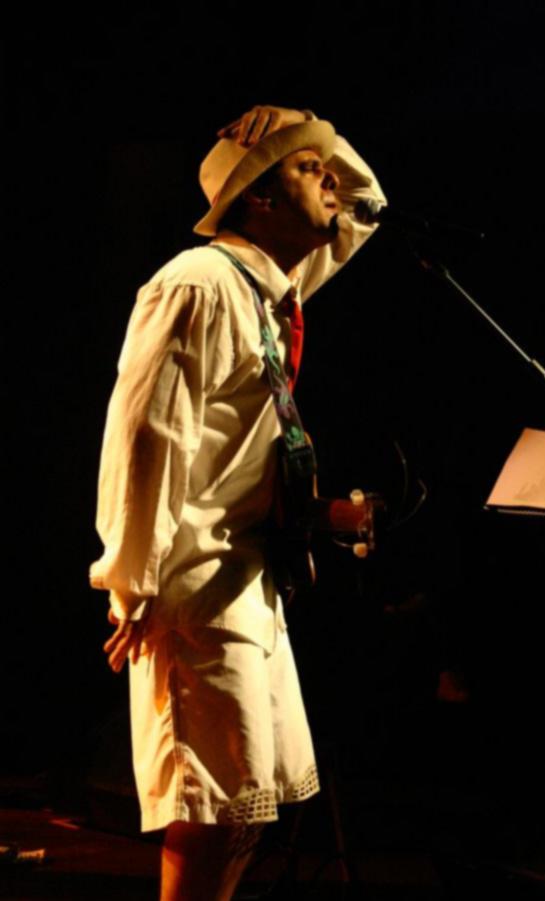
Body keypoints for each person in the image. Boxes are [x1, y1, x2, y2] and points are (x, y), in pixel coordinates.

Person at [90, 104, 386, 900]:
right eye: (307, 169)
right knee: (212, 808)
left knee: (248, 808)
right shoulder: (200, 282)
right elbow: (148, 434)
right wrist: (131, 580)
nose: (331, 181)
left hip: (246, 577)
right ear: (256, 196)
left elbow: (368, 203)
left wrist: (310, 128)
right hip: (192, 582)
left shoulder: (268, 290)